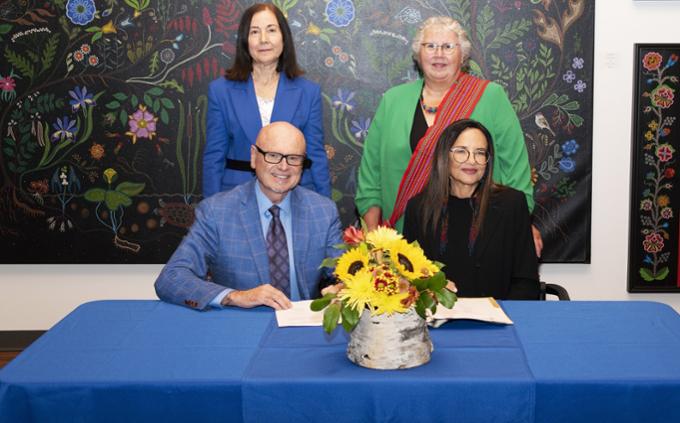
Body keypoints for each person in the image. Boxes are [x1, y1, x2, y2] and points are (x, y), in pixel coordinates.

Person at [355, 16, 543, 255]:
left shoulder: (491, 97)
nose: (438, 54)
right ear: (418, 54)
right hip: (403, 235)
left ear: (462, 55)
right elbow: (371, 173)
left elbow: (517, 170)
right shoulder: (393, 101)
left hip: (480, 232)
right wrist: (373, 233)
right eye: (430, 46)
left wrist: (521, 223)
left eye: (447, 47)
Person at [156, 122, 342, 310]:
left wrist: (343, 288)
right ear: (254, 157)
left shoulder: (323, 211)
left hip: (301, 327)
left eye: (293, 158)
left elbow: (345, 274)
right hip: (239, 327)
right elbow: (171, 278)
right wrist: (234, 296)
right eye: (273, 156)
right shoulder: (216, 212)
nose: (284, 167)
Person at [203, 3, 330, 198]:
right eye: (254, 32)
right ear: (245, 40)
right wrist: (210, 213)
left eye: (271, 30)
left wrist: (325, 210)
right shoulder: (221, 91)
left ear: (284, 37)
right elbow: (214, 158)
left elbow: (316, 157)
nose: (263, 39)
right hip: (236, 197)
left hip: (295, 196)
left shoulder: (308, 92)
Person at [403, 119, 539, 300]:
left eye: (480, 153)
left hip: (497, 320)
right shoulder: (418, 208)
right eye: (461, 151)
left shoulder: (511, 204)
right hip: (438, 320)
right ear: (444, 156)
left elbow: (526, 281)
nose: (472, 161)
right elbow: (409, 276)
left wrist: (505, 317)